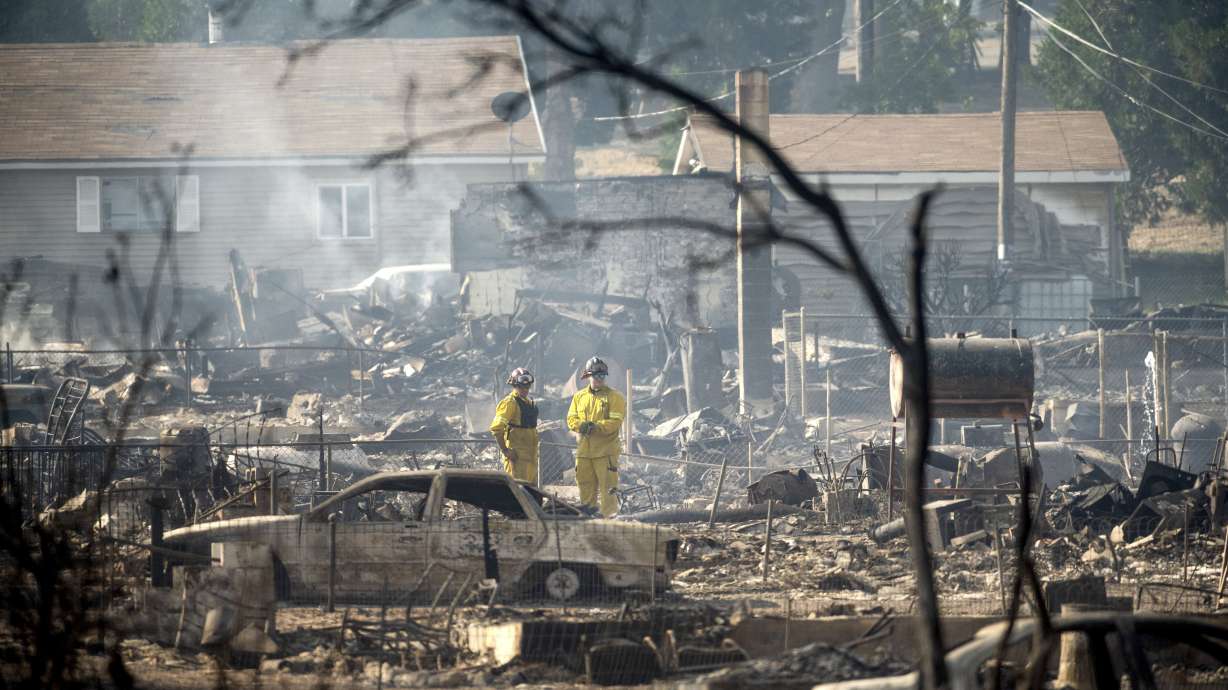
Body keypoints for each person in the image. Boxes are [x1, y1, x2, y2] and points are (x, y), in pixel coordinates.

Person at [566, 356, 625, 516]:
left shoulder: (615, 397)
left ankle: (609, 521)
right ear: (588, 376)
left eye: (602, 376)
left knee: (608, 490)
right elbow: (571, 419)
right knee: (585, 488)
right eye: (595, 375)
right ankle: (587, 520)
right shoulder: (579, 397)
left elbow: (615, 422)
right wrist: (581, 425)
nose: (599, 379)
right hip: (584, 453)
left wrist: (596, 427)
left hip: (606, 453)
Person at [490, 367, 539, 484]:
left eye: (527, 386)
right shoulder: (510, 403)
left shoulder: (529, 403)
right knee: (518, 492)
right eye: (522, 386)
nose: (525, 389)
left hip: (531, 457)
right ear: (515, 385)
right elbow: (497, 429)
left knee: (531, 492)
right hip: (517, 458)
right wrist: (505, 451)